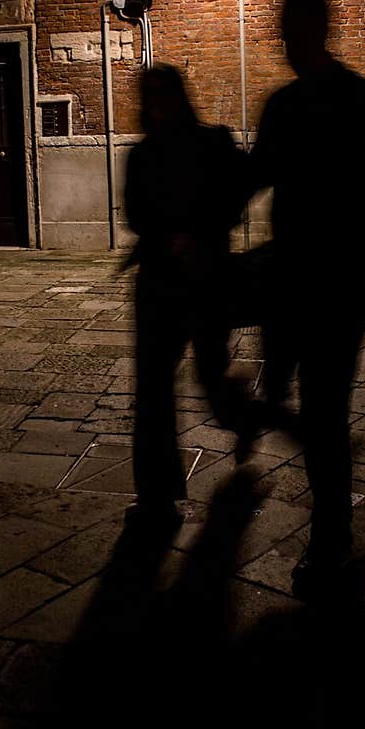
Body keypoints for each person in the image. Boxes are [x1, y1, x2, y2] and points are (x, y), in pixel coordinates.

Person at [244, 0, 365, 599]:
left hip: (331, 291)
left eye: (289, 35)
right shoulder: (332, 103)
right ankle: (324, 523)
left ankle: (330, 538)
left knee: (323, 413)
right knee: (303, 401)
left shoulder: (343, 105)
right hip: (299, 286)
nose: (284, 46)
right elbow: (254, 176)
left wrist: (344, 261)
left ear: (312, 34)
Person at [124, 64, 246, 530]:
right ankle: (156, 494)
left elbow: (234, 199)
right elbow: (136, 213)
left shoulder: (214, 142)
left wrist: (198, 234)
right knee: (153, 391)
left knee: (210, 378)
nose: (156, 105)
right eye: (149, 96)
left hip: (206, 277)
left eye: (163, 95)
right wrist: (169, 237)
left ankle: (242, 416)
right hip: (157, 282)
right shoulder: (141, 155)